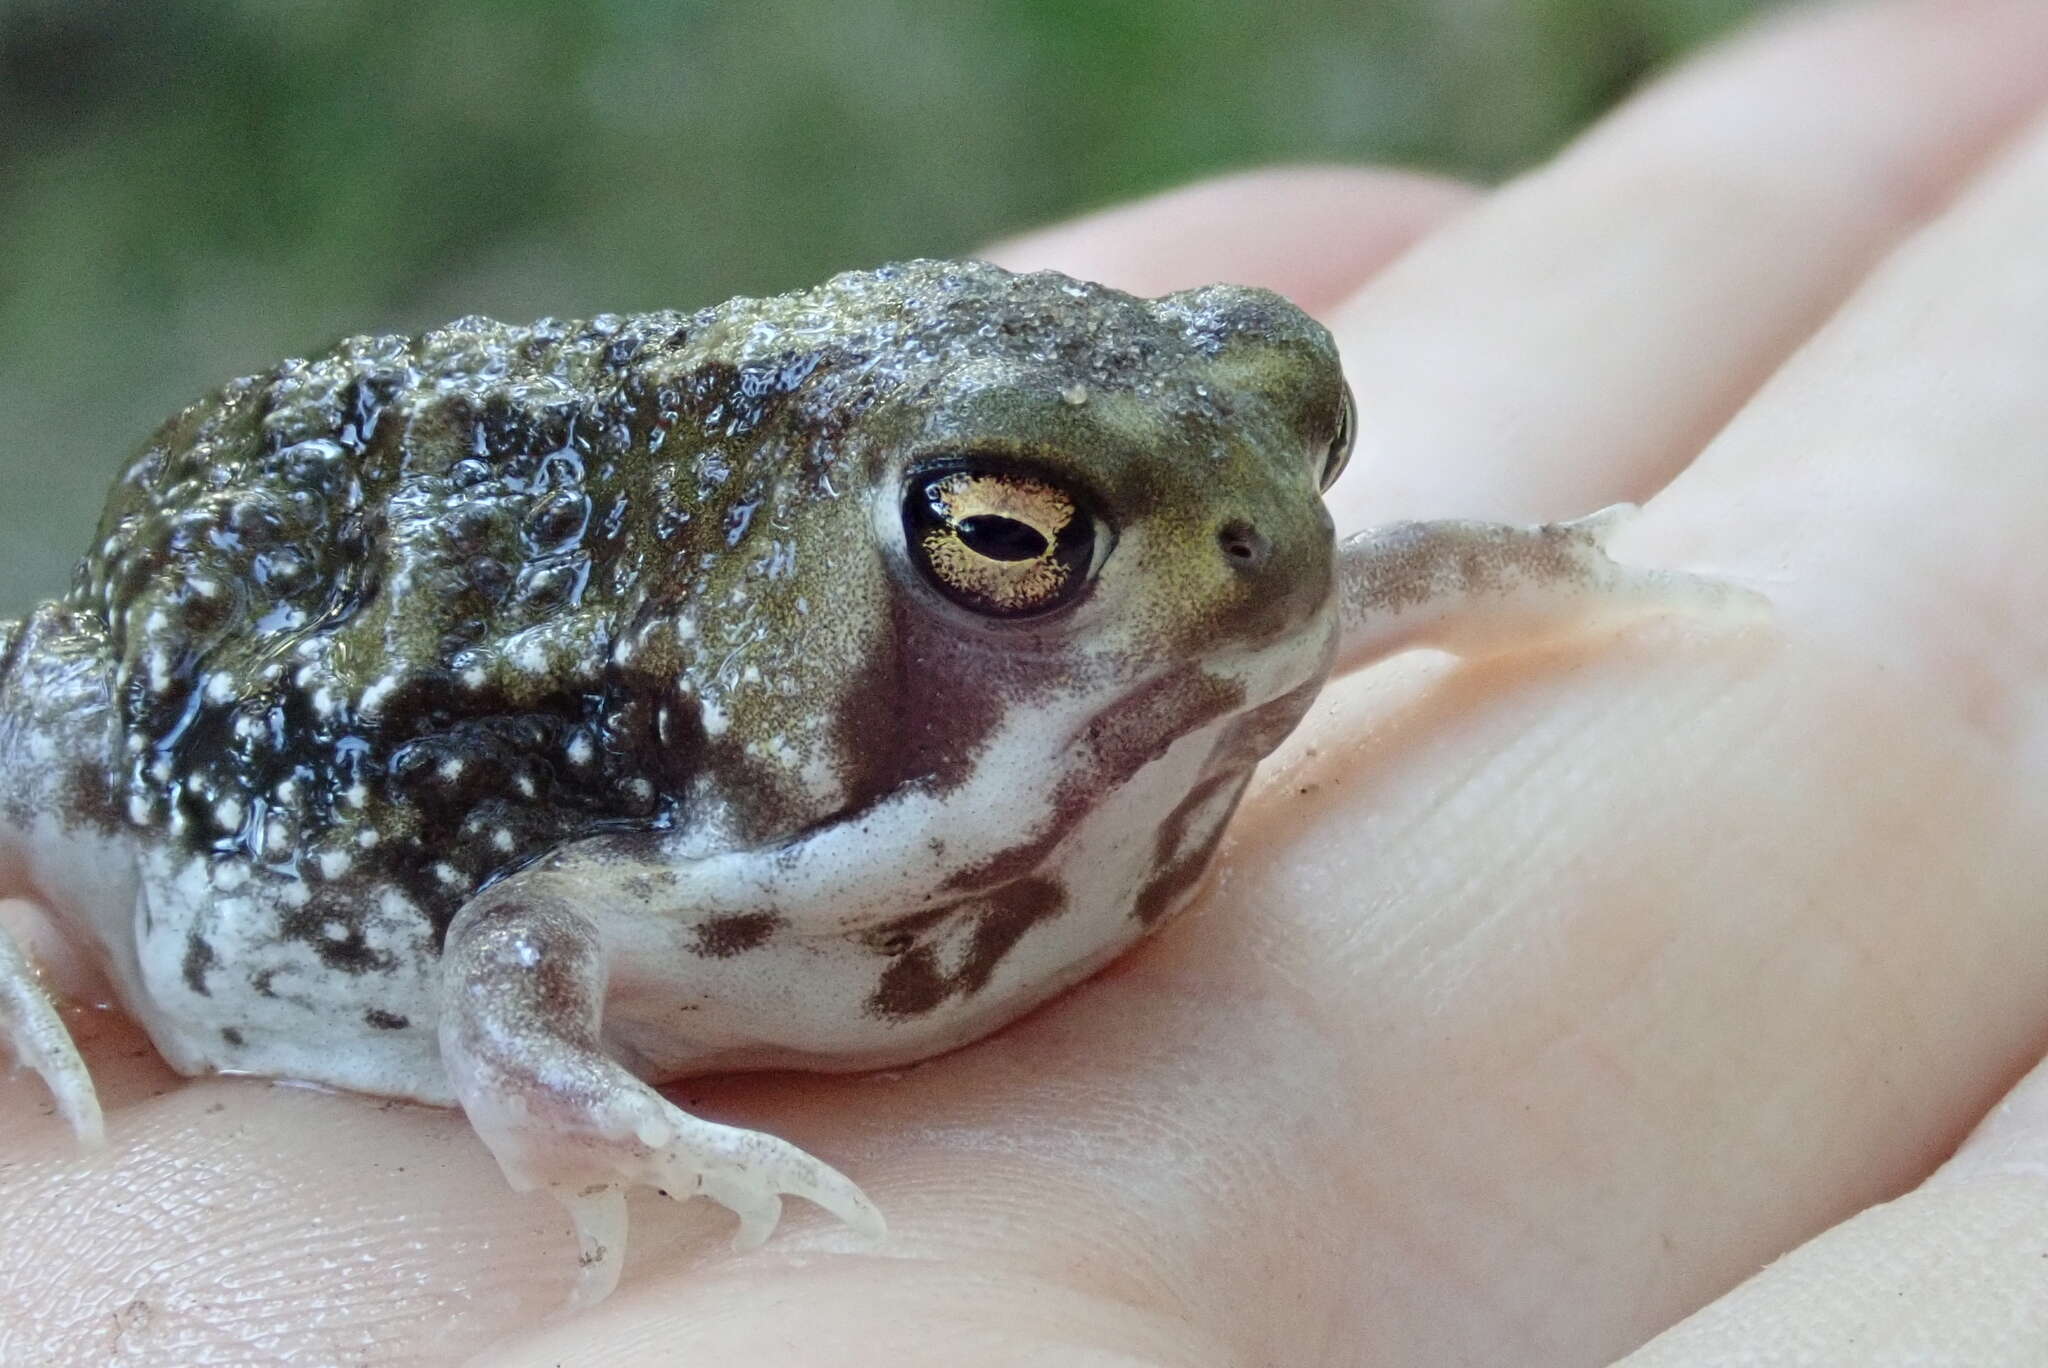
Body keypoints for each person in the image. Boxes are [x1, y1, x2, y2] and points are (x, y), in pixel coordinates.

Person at [8, 0, 2048, 1360]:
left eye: (1298, 438)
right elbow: (519, 944)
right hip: (236, 685)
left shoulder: (1235, 587)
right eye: (1017, 538)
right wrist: (613, 1148)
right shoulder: (698, 824)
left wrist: (1574, 572)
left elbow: (1356, 591)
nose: (1267, 552)